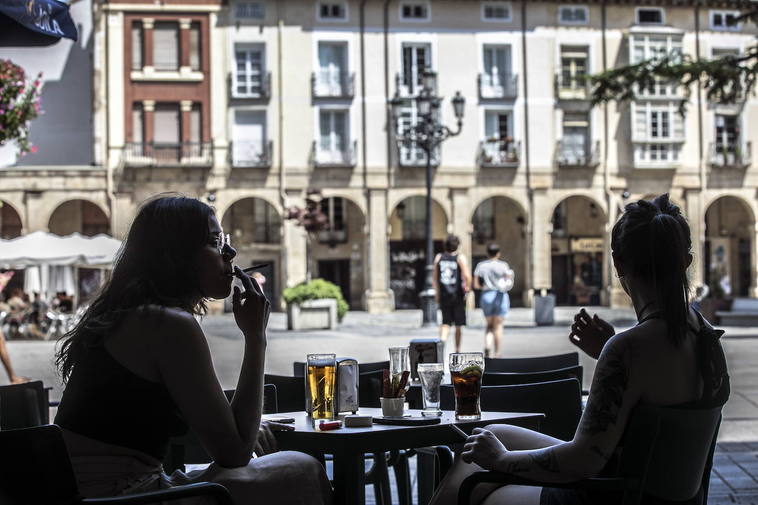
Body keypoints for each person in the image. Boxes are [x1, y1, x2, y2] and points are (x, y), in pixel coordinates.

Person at [429, 194, 730, 505]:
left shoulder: (629, 350)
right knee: (492, 433)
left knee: (479, 484)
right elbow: (662, 389)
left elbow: (582, 461)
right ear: (686, 262)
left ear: (618, 264)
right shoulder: (707, 338)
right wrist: (609, 354)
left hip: (611, 494)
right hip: (665, 493)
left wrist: (501, 460)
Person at [54, 195, 331, 504]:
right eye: (215, 242)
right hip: (120, 497)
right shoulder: (168, 324)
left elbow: (215, 429)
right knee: (302, 468)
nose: (231, 253)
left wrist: (247, 427)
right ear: (177, 256)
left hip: (86, 491)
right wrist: (256, 338)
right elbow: (235, 453)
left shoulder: (132, 314)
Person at [473, 244, 514, 358]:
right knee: (498, 326)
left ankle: (487, 346)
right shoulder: (503, 265)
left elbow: (476, 284)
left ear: (487, 253)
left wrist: (484, 288)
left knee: (489, 325)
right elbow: (508, 281)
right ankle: (497, 352)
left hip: (486, 295)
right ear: (498, 253)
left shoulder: (481, 266)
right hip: (500, 296)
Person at [433, 234, 472, 353]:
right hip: (458, 295)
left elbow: (435, 278)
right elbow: (467, 276)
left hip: (444, 294)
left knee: (445, 323)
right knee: (458, 325)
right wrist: (468, 289)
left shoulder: (439, 257)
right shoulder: (460, 258)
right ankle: (457, 350)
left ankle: (442, 345)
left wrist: (437, 294)